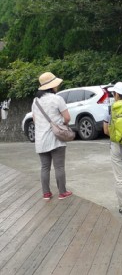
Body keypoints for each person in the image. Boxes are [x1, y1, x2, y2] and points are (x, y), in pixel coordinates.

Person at [32, 72, 73, 200]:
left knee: (44, 167)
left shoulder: (36, 101)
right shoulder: (57, 99)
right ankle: (62, 192)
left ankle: (46, 193)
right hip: (56, 138)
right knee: (59, 166)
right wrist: (62, 124)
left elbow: (34, 120)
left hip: (41, 139)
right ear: (52, 86)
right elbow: (67, 118)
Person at [103, 82, 122, 216]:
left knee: (120, 178)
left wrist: (116, 136)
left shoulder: (110, 109)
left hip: (116, 145)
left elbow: (105, 130)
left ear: (116, 94)